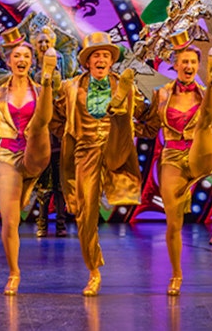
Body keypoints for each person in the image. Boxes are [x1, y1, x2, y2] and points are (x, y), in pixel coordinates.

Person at [57, 30, 143, 296]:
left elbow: (145, 113)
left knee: (119, 123)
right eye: (96, 55)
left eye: (106, 55)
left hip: (115, 143)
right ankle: (93, 269)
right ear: (87, 62)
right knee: (84, 214)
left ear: (111, 61)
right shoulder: (71, 88)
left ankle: (116, 109)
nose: (101, 59)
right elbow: (56, 115)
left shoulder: (123, 84)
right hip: (86, 150)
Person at [136, 40, 212, 295]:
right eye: (184, 61)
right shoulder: (162, 94)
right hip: (172, 156)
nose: (189, 66)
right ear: (174, 65)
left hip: (198, 153)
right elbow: (150, 127)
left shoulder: (205, 94)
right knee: (174, 222)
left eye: (193, 62)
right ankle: (176, 273)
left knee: (205, 129)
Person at [0, 24, 58, 295]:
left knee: (40, 123)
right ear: (8, 60)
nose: (21, 60)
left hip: (34, 150)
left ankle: (31, 177)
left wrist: (48, 81)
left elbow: (49, 118)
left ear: (32, 62)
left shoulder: (40, 91)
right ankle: (14, 271)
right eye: (16, 56)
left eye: (26, 57)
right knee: (10, 220)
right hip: (6, 154)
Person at [31, 26, 72, 238]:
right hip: (41, 132)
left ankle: (61, 223)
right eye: (40, 42)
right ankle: (42, 222)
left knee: (61, 182)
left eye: (48, 42)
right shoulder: (31, 71)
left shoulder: (63, 70)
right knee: (43, 182)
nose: (44, 45)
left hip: (60, 132)